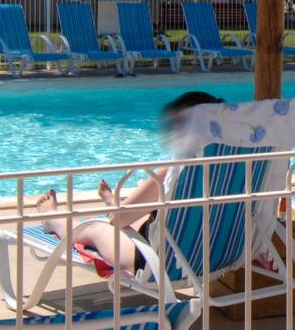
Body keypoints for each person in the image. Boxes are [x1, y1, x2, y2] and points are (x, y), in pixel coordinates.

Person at [31, 91, 225, 279]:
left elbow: (118, 221)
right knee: (145, 218)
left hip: (159, 263)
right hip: (217, 255)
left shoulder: (172, 172)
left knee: (95, 228)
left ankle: (52, 218)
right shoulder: (242, 169)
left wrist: (116, 214)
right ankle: (114, 203)